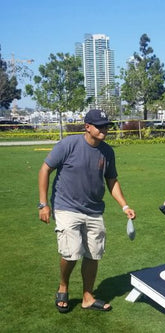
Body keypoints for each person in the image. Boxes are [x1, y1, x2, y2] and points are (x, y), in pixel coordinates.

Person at [38, 109, 136, 313]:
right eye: (100, 126)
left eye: (106, 126)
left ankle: (87, 297)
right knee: (72, 253)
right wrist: (43, 204)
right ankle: (63, 286)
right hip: (66, 206)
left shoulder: (108, 152)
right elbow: (45, 169)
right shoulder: (69, 145)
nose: (104, 129)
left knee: (93, 254)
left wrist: (124, 206)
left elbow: (112, 181)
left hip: (94, 210)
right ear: (87, 127)